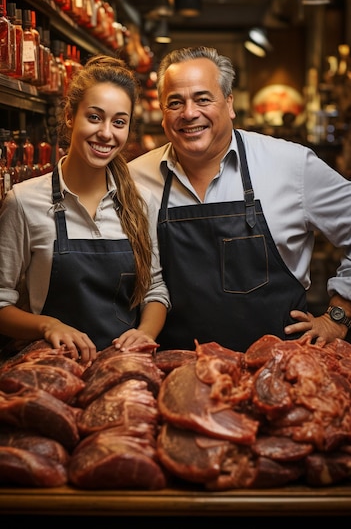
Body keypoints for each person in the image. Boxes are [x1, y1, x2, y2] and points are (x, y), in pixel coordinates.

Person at [128, 45, 351, 352]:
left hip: (277, 372)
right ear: (163, 114)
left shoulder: (290, 165)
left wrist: (339, 316)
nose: (189, 113)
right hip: (175, 374)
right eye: (175, 102)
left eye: (203, 99)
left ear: (229, 103)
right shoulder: (133, 179)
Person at [0, 55, 170, 364]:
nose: (106, 133)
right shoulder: (24, 202)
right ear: (69, 116)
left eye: (119, 122)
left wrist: (144, 333)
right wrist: (47, 324)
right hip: (54, 370)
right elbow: (1, 303)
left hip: (124, 366)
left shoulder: (143, 202)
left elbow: (155, 290)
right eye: (94, 117)